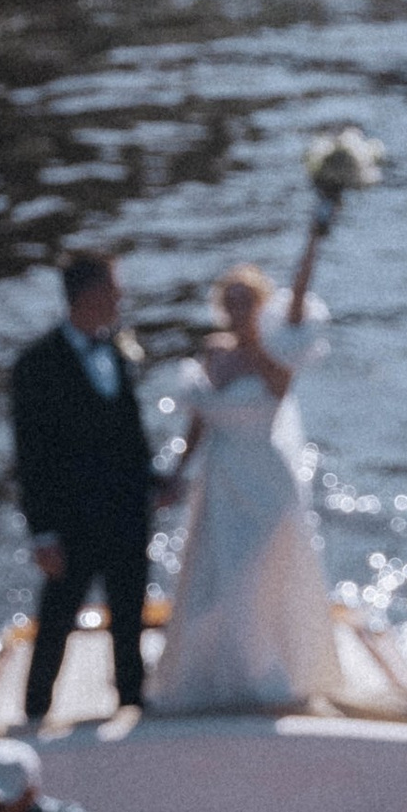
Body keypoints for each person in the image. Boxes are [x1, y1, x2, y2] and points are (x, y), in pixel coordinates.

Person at [148, 219, 341, 715]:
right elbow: (199, 422)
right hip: (220, 479)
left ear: (261, 305)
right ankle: (217, 676)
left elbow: (295, 311)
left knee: (254, 576)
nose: (235, 310)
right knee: (215, 576)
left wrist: (313, 238)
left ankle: (267, 677)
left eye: (245, 301)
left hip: (266, 483)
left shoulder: (275, 358)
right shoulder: (213, 353)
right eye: (229, 301)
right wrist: (177, 470)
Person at [10, 249, 160, 724]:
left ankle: (131, 703)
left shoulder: (115, 349)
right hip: (71, 524)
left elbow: (130, 436)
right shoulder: (35, 365)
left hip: (126, 515)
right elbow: (30, 457)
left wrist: (154, 483)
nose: (121, 297)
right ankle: (35, 713)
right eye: (114, 288)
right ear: (91, 293)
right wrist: (42, 533)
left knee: (130, 615)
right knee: (56, 621)